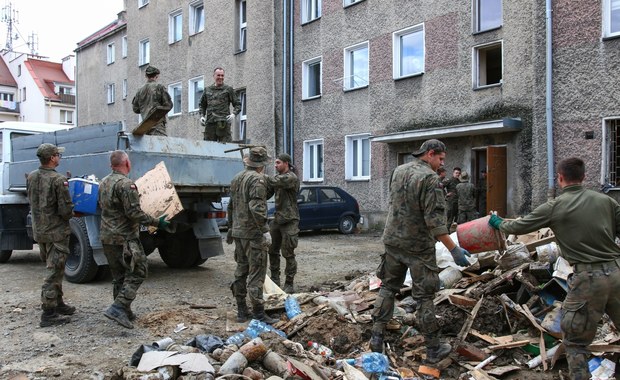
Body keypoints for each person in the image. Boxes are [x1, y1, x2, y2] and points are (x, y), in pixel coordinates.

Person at [488, 157, 620, 380]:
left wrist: (498, 222)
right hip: (616, 273)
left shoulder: (555, 206)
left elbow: (519, 226)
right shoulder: (606, 201)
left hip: (587, 279)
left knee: (575, 341)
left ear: (559, 178)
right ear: (583, 176)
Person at [369, 139, 471, 363]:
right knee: (424, 296)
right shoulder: (430, 179)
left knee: (388, 287)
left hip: (393, 240)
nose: (441, 165)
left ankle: (376, 337)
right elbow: (435, 223)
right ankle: (433, 349)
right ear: (430, 154)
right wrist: (454, 250)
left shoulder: (399, 170)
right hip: (417, 246)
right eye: (441, 159)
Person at [98, 150, 169, 329]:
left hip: (107, 237)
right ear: (127, 164)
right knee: (139, 270)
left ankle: (124, 311)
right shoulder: (126, 185)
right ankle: (119, 307)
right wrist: (157, 222)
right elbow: (134, 213)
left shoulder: (103, 182)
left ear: (111, 165)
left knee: (119, 275)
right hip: (124, 238)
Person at [27, 143, 76, 327]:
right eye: (57, 155)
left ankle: (58, 302)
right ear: (52, 158)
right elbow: (65, 210)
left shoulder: (32, 176)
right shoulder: (58, 180)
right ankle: (48, 313)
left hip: (40, 231)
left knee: (56, 268)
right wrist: (73, 210)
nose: (59, 157)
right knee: (54, 271)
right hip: (56, 232)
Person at [227, 147, 278, 324]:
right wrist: (265, 230)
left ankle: (242, 310)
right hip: (253, 234)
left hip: (239, 232)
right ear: (262, 164)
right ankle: (258, 312)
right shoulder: (257, 180)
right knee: (257, 272)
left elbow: (231, 207)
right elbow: (257, 207)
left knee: (241, 270)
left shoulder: (236, 178)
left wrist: (230, 228)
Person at [266, 153, 300, 293]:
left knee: (288, 252)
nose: (275, 165)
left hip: (290, 220)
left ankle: (289, 283)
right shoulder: (279, 179)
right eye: (275, 163)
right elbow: (269, 192)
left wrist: (260, 176)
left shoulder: (290, 177)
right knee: (272, 250)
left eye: (278, 162)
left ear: (286, 163)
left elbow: (274, 182)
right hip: (278, 218)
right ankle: (275, 280)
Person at [199, 67, 241, 143]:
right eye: (218, 75)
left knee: (226, 148)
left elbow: (237, 104)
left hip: (223, 124)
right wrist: (202, 116)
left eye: (222, 75)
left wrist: (233, 114)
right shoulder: (207, 90)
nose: (220, 77)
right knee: (208, 147)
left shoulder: (228, 89)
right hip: (210, 124)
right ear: (214, 76)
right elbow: (202, 105)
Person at [132, 65, 173, 136]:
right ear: (156, 76)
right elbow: (169, 105)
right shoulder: (159, 87)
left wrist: (145, 109)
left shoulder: (139, 91)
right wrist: (157, 109)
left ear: (146, 76)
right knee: (161, 145)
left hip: (144, 127)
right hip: (157, 125)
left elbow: (135, 109)